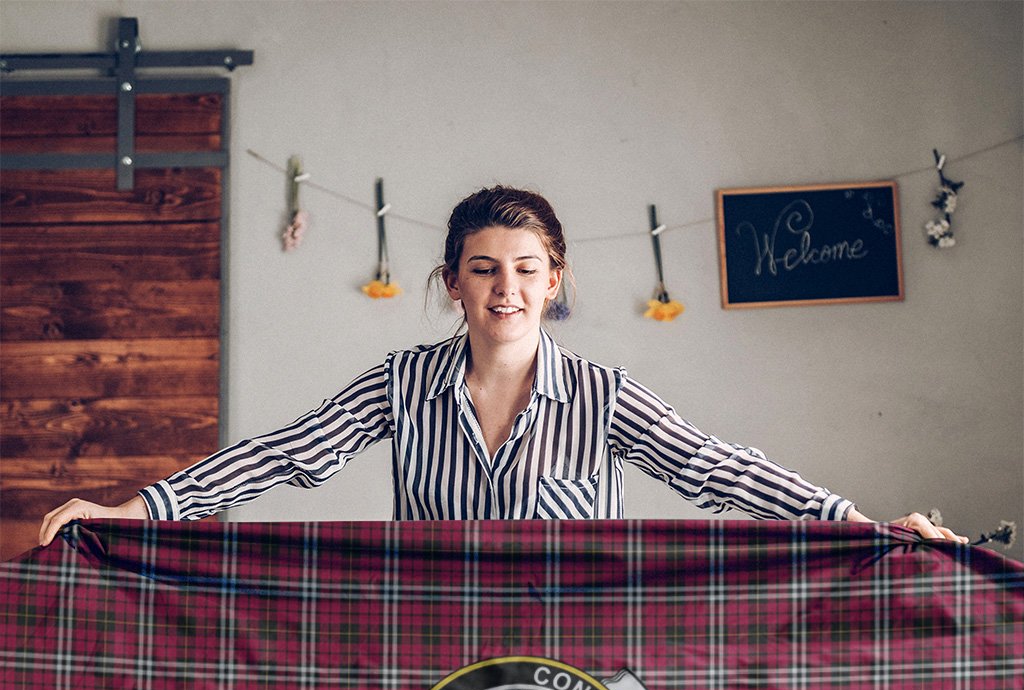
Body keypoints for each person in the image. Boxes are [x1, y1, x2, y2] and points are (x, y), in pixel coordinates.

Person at [38, 185, 967, 547]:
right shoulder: (401, 382)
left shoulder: (604, 396)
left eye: (526, 271)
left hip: (577, 664)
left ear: (555, 280)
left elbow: (717, 467)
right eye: (484, 270)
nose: (506, 289)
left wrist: (853, 523)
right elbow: (284, 455)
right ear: (453, 283)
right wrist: (138, 510)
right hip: (433, 656)